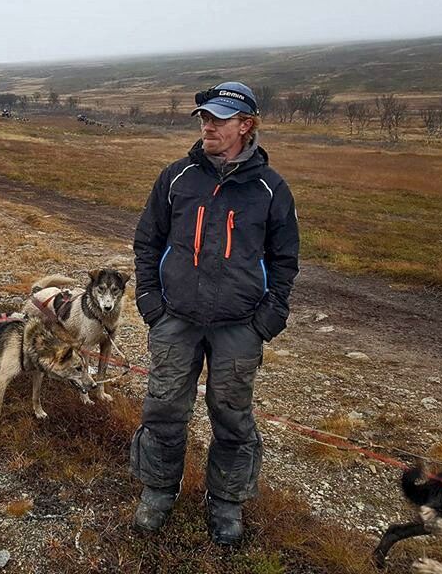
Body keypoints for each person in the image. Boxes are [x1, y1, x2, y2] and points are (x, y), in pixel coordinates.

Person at [130, 81, 299, 545]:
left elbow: (285, 260)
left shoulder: (271, 189)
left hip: (240, 326)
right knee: (163, 408)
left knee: (232, 415)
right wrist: (150, 302)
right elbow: (148, 241)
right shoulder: (176, 177)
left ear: (246, 126)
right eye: (204, 118)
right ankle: (159, 490)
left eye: (219, 119)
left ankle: (225, 501)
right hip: (175, 320)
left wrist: (269, 318)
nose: (208, 126)